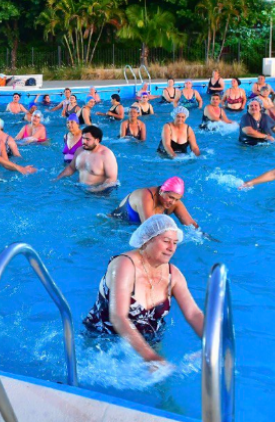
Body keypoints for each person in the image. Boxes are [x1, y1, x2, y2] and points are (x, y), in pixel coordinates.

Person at [82, 215, 204, 361]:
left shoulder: (174, 275)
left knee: (162, 381)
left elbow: (193, 313)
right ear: (147, 240)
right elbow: (118, 317)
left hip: (150, 342)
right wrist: (150, 357)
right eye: (166, 241)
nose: (171, 248)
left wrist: (212, 344)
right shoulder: (124, 265)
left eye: (175, 243)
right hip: (104, 342)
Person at [111, 177, 198, 228]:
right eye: (171, 197)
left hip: (133, 229)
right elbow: (150, 228)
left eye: (177, 199)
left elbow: (192, 225)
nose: (173, 202)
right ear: (161, 191)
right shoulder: (146, 197)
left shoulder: (173, 203)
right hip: (115, 225)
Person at [54, 125, 118, 191]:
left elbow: (112, 179)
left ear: (97, 140)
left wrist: (95, 190)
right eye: (83, 138)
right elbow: (71, 168)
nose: (84, 142)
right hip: (80, 189)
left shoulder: (106, 155)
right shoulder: (79, 150)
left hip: (99, 195)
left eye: (87, 139)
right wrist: (57, 179)